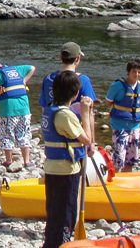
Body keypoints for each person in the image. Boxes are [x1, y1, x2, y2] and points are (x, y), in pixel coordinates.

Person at [42, 70, 94, 248]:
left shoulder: (50, 109)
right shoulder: (65, 115)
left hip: (52, 168)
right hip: (66, 170)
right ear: (75, 93)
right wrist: (85, 112)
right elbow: (86, 139)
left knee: (54, 212)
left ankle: (51, 244)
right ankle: (61, 244)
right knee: (66, 214)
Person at [39, 42, 98, 150]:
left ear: (60, 57)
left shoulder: (48, 79)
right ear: (77, 59)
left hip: (53, 138)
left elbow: (44, 109)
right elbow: (89, 113)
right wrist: (91, 143)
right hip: (77, 138)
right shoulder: (82, 80)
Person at [0, 62, 36, 169]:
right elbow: (32, 68)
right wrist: (24, 81)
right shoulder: (17, 69)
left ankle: (8, 161)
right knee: (24, 133)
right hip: (24, 108)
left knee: (7, 134)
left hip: (8, 110)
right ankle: (27, 162)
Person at [105, 59, 140, 173]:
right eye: (134, 71)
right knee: (119, 158)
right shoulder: (117, 86)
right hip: (119, 126)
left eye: (139, 72)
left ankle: (127, 181)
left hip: (135, 126)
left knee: (131, 159)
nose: (136, 74)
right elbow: (108, 102)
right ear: (128, 72)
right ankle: (113, 180)